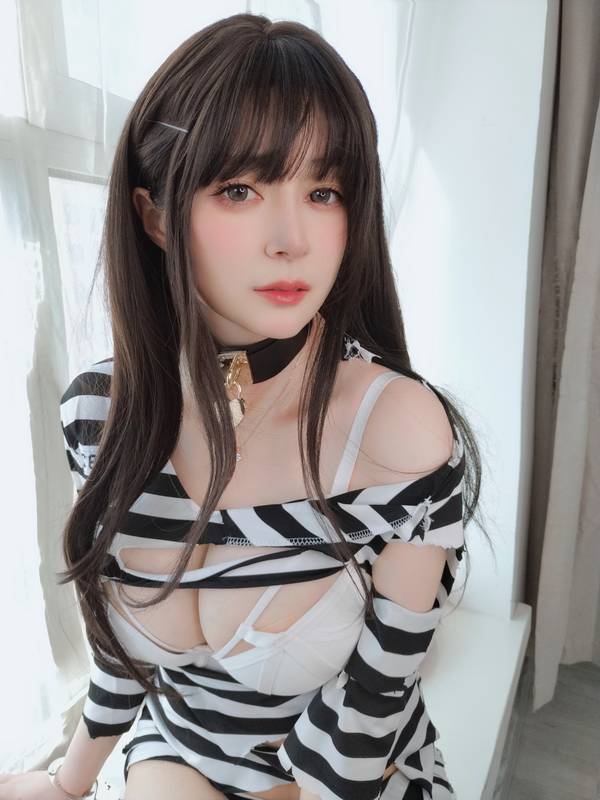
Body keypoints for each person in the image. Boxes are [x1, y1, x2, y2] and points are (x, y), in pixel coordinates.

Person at [0, 12, 488, 800]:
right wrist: (66, 780)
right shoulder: (98, 412)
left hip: (347, 773)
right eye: (240, 189)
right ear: (156, 215)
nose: (291, 238)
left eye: (323, 191)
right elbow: (121, 659)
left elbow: (373, 706)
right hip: (176, 748)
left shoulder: (396, 430)